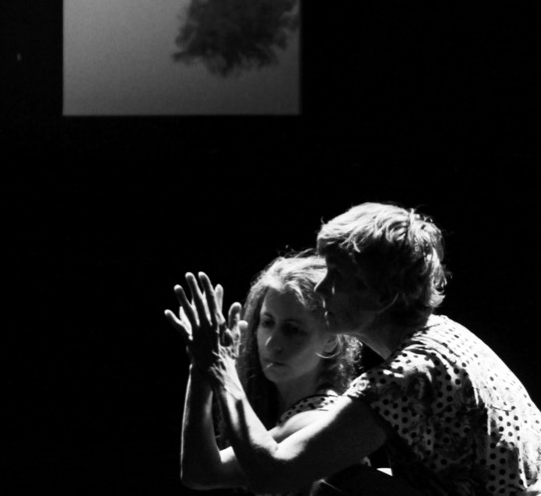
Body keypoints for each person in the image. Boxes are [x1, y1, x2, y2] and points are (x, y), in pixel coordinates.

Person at [169, 203, 541, 495]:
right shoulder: (447, 337)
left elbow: (273, 475)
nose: (322, 288)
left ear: (381, 294)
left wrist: (220, 368)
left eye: (337, 276)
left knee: (339, 483)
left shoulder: (407, 375)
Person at [165, 252, 363, 495]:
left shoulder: (318, 418)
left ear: (331, 341)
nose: (272, 343)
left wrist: (213, 365)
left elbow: (202, 473)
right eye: (267, 322)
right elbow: (197, 472)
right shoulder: (291, 412)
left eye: (292, 330)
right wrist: (201, 362)